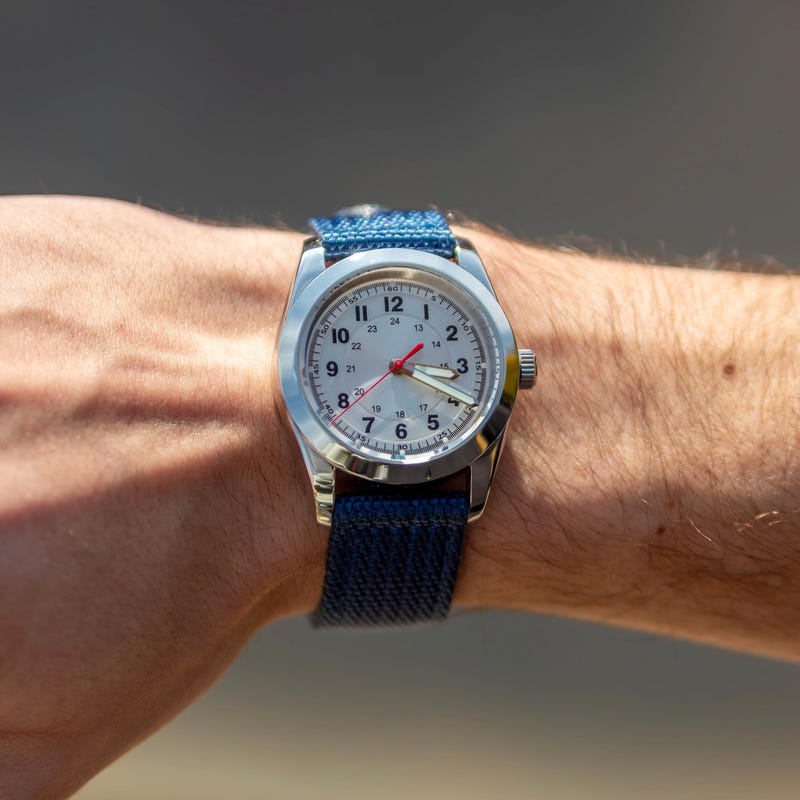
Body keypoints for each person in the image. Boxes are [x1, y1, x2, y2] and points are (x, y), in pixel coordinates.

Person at [1, 195, 797, 797]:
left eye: (411, 361)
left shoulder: (477, 395)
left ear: (514, 371)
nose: (396, 370)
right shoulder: (385, 381)